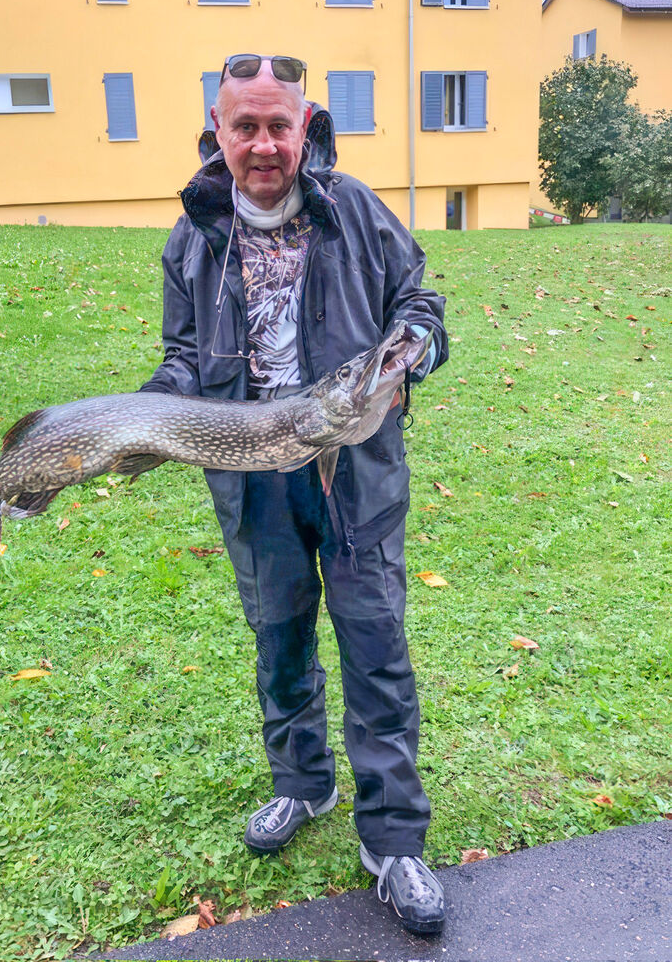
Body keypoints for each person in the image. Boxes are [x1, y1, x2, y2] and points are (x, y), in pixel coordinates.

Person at [140, 54, 448, 935]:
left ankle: (393, 840)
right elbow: (184, 358)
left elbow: (419, 302)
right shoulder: (194, 234)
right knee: (279, 644)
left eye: (281, 125)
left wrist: (414, 349)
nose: (265, 145)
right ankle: (303, 785)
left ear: (306, 125)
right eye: (247, 127)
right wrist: (150, 415)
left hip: (356, 476)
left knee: (375, 648)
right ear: (220, 128)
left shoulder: (354, 210)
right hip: (252, 481)